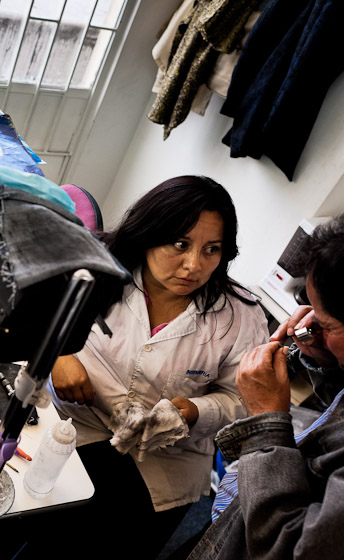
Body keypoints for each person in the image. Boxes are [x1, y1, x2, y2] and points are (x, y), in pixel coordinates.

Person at [46, 176, 268, 559]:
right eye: (180, 244)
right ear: (148, 233)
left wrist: (197, 410)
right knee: (32, 528)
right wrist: (57, 355)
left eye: (212, 250)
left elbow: (246, 398)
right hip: (73, 427)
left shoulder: (242, 317)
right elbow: (30, 312)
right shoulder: (93, 264)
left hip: (162, 464)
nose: (194, 265)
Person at [187, 211, 344, 560]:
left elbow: (288, 549)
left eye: (326, 323)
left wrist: (266, 422)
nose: (313, 327)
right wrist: (329, 361)